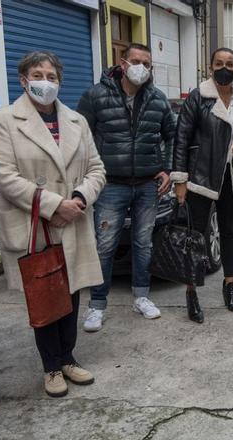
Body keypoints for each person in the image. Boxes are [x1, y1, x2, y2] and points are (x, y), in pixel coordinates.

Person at [0, 51, 106, 398]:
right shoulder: (5, 120)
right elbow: (5, 176)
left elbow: (97, 168)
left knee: (70, 294)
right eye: (37, 75)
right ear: (23, 80)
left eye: (51, 76)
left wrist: (80, 199)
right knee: (45, 294)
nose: (45, 81)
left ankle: (69, 357)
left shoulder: (76, 121)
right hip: (35, 222)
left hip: (74, 218)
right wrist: (54, 205)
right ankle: (51, 366)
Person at [76, 43, 176, 330]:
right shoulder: (95, 96)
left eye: (146, 63)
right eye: (136, 61)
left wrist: (167, 168)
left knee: (143, 244)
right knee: (104, 246)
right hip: (110, 185)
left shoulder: (157, 100)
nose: (140, 67)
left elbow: (172, 136)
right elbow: (80, 138)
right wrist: (90, 175)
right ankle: (97, 305)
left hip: (147, 185)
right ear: (122, 63)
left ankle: (141, 297)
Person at [171, 47, 233, 323]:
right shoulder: (199, 98)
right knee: (196, 237)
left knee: (229, 232)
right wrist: (180, 180)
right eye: (219, 63)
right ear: (210, 67)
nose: (224, 67)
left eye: (230, 63)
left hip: (232, 178)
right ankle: (191, 292)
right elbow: (181, 139)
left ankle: (229, 286)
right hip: (201, 177)